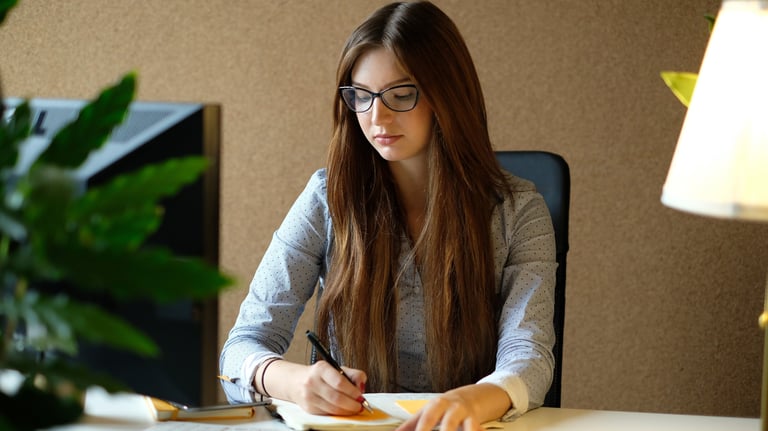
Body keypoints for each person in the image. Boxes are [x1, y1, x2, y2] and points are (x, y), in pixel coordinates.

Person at [220, 2, 556, 430]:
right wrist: (295, 382)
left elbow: (530, 355)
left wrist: (479, 398)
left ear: (448, 96)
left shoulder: (518, 211)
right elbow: (241, 347)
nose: (376, 117)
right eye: (361, 96)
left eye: (401, 95)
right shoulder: (327, 198)